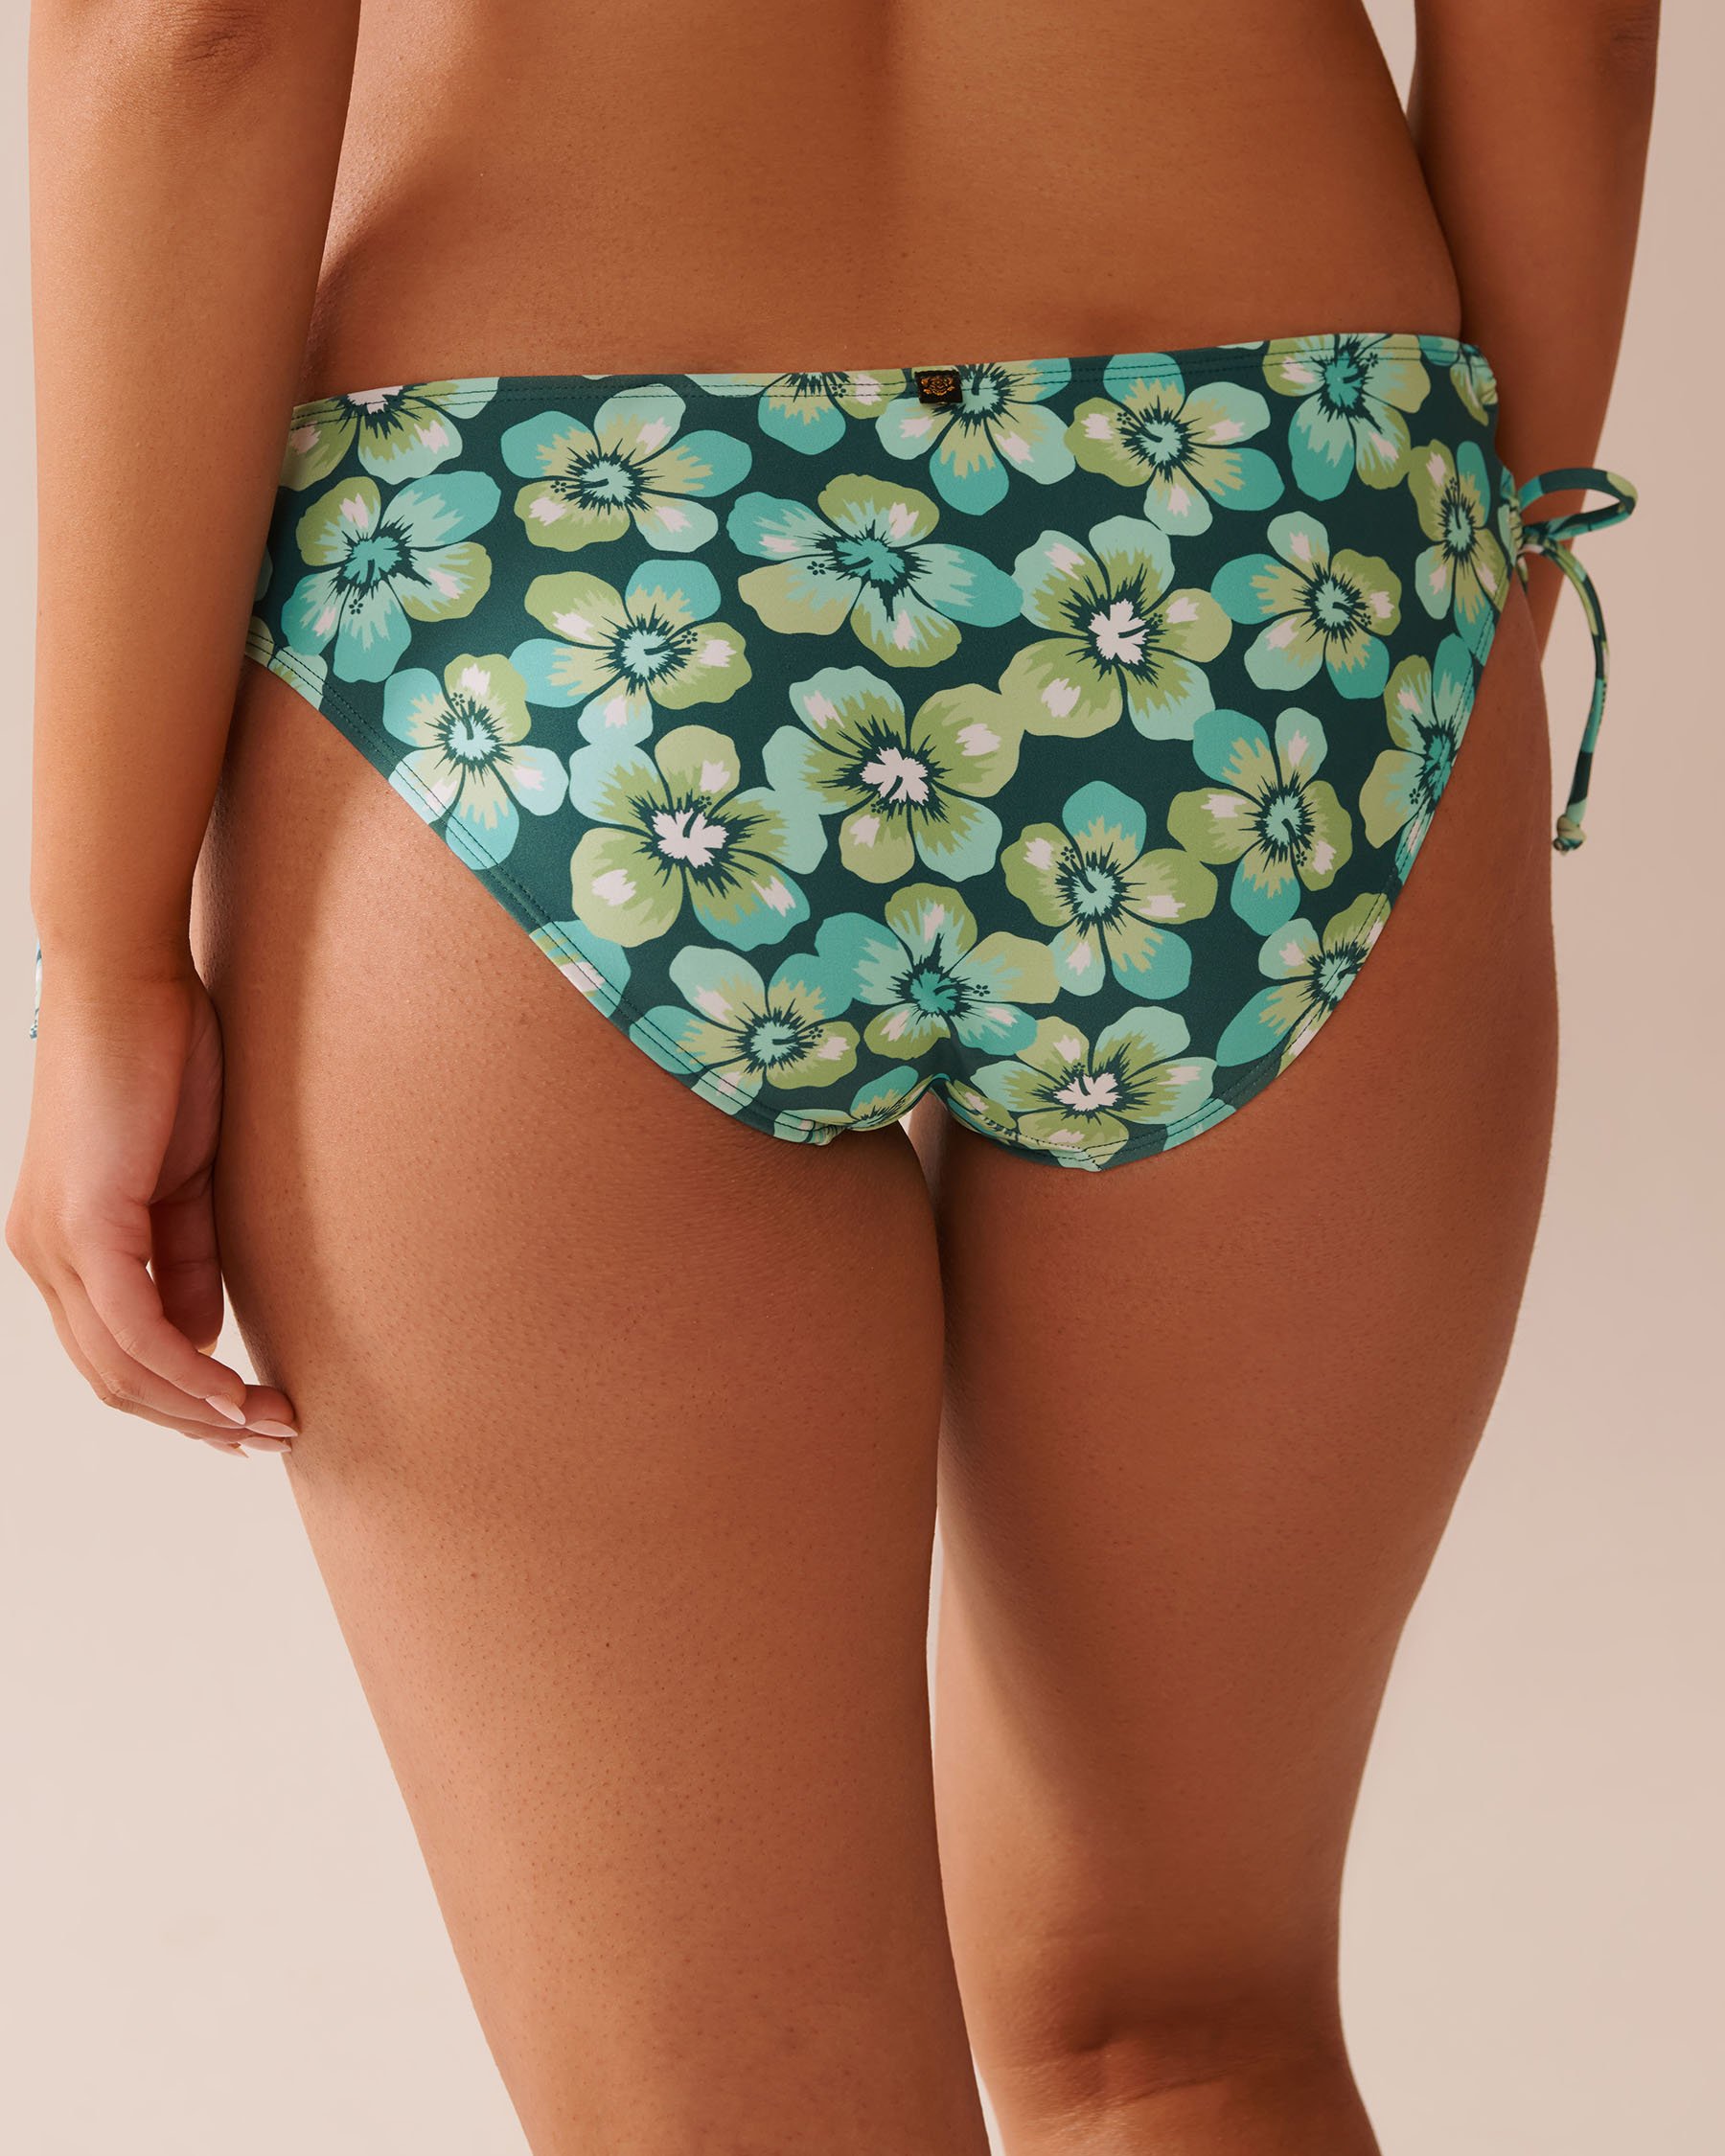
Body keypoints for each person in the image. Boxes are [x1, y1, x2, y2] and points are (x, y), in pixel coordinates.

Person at [9, 3, 1656, 2148]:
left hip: (554, 570)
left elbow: (195, 30)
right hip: (1280, 531)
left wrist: (105, 941)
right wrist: (1465, 600)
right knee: (1186, 2036)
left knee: (736, 2103)